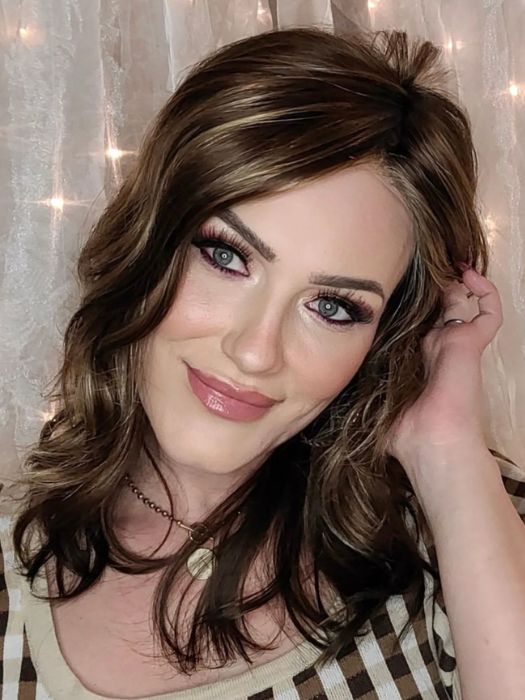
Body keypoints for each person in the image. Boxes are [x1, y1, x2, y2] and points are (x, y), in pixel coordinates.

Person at [1, 24, 524, 700]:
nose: (254, 351)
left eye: (333, 307)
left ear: (385, 335)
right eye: (226, 256)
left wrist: (445, 449)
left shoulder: (473, 527)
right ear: (149, 244)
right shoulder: (13, 560)